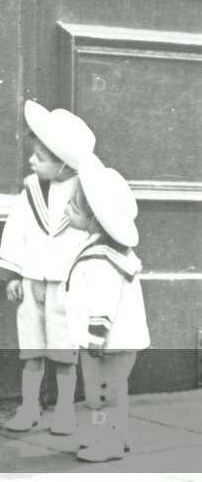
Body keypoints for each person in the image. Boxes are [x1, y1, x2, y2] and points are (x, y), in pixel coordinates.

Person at [0, 101, 96, 435]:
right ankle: (29, 408)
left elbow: (91, 239)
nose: (31, 161)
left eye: (39, 158)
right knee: (31, 350)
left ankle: (65, 411)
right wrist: (12, 274)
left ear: (63, 164)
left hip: (64, 287)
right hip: (31, 281)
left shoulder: (83, 195)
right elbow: (15, 231)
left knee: (64, 352)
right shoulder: (30, 193)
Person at [65, 153, 149, 462]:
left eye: (73, 207)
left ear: (94, 217)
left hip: (105, 343)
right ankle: (118, 435)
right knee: (115, 392)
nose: (66, 210)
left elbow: (102, 301)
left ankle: (106, 442)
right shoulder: (109, 251)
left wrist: (96, 337)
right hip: (117, 342)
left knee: (100, 397)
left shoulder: (101, 258)